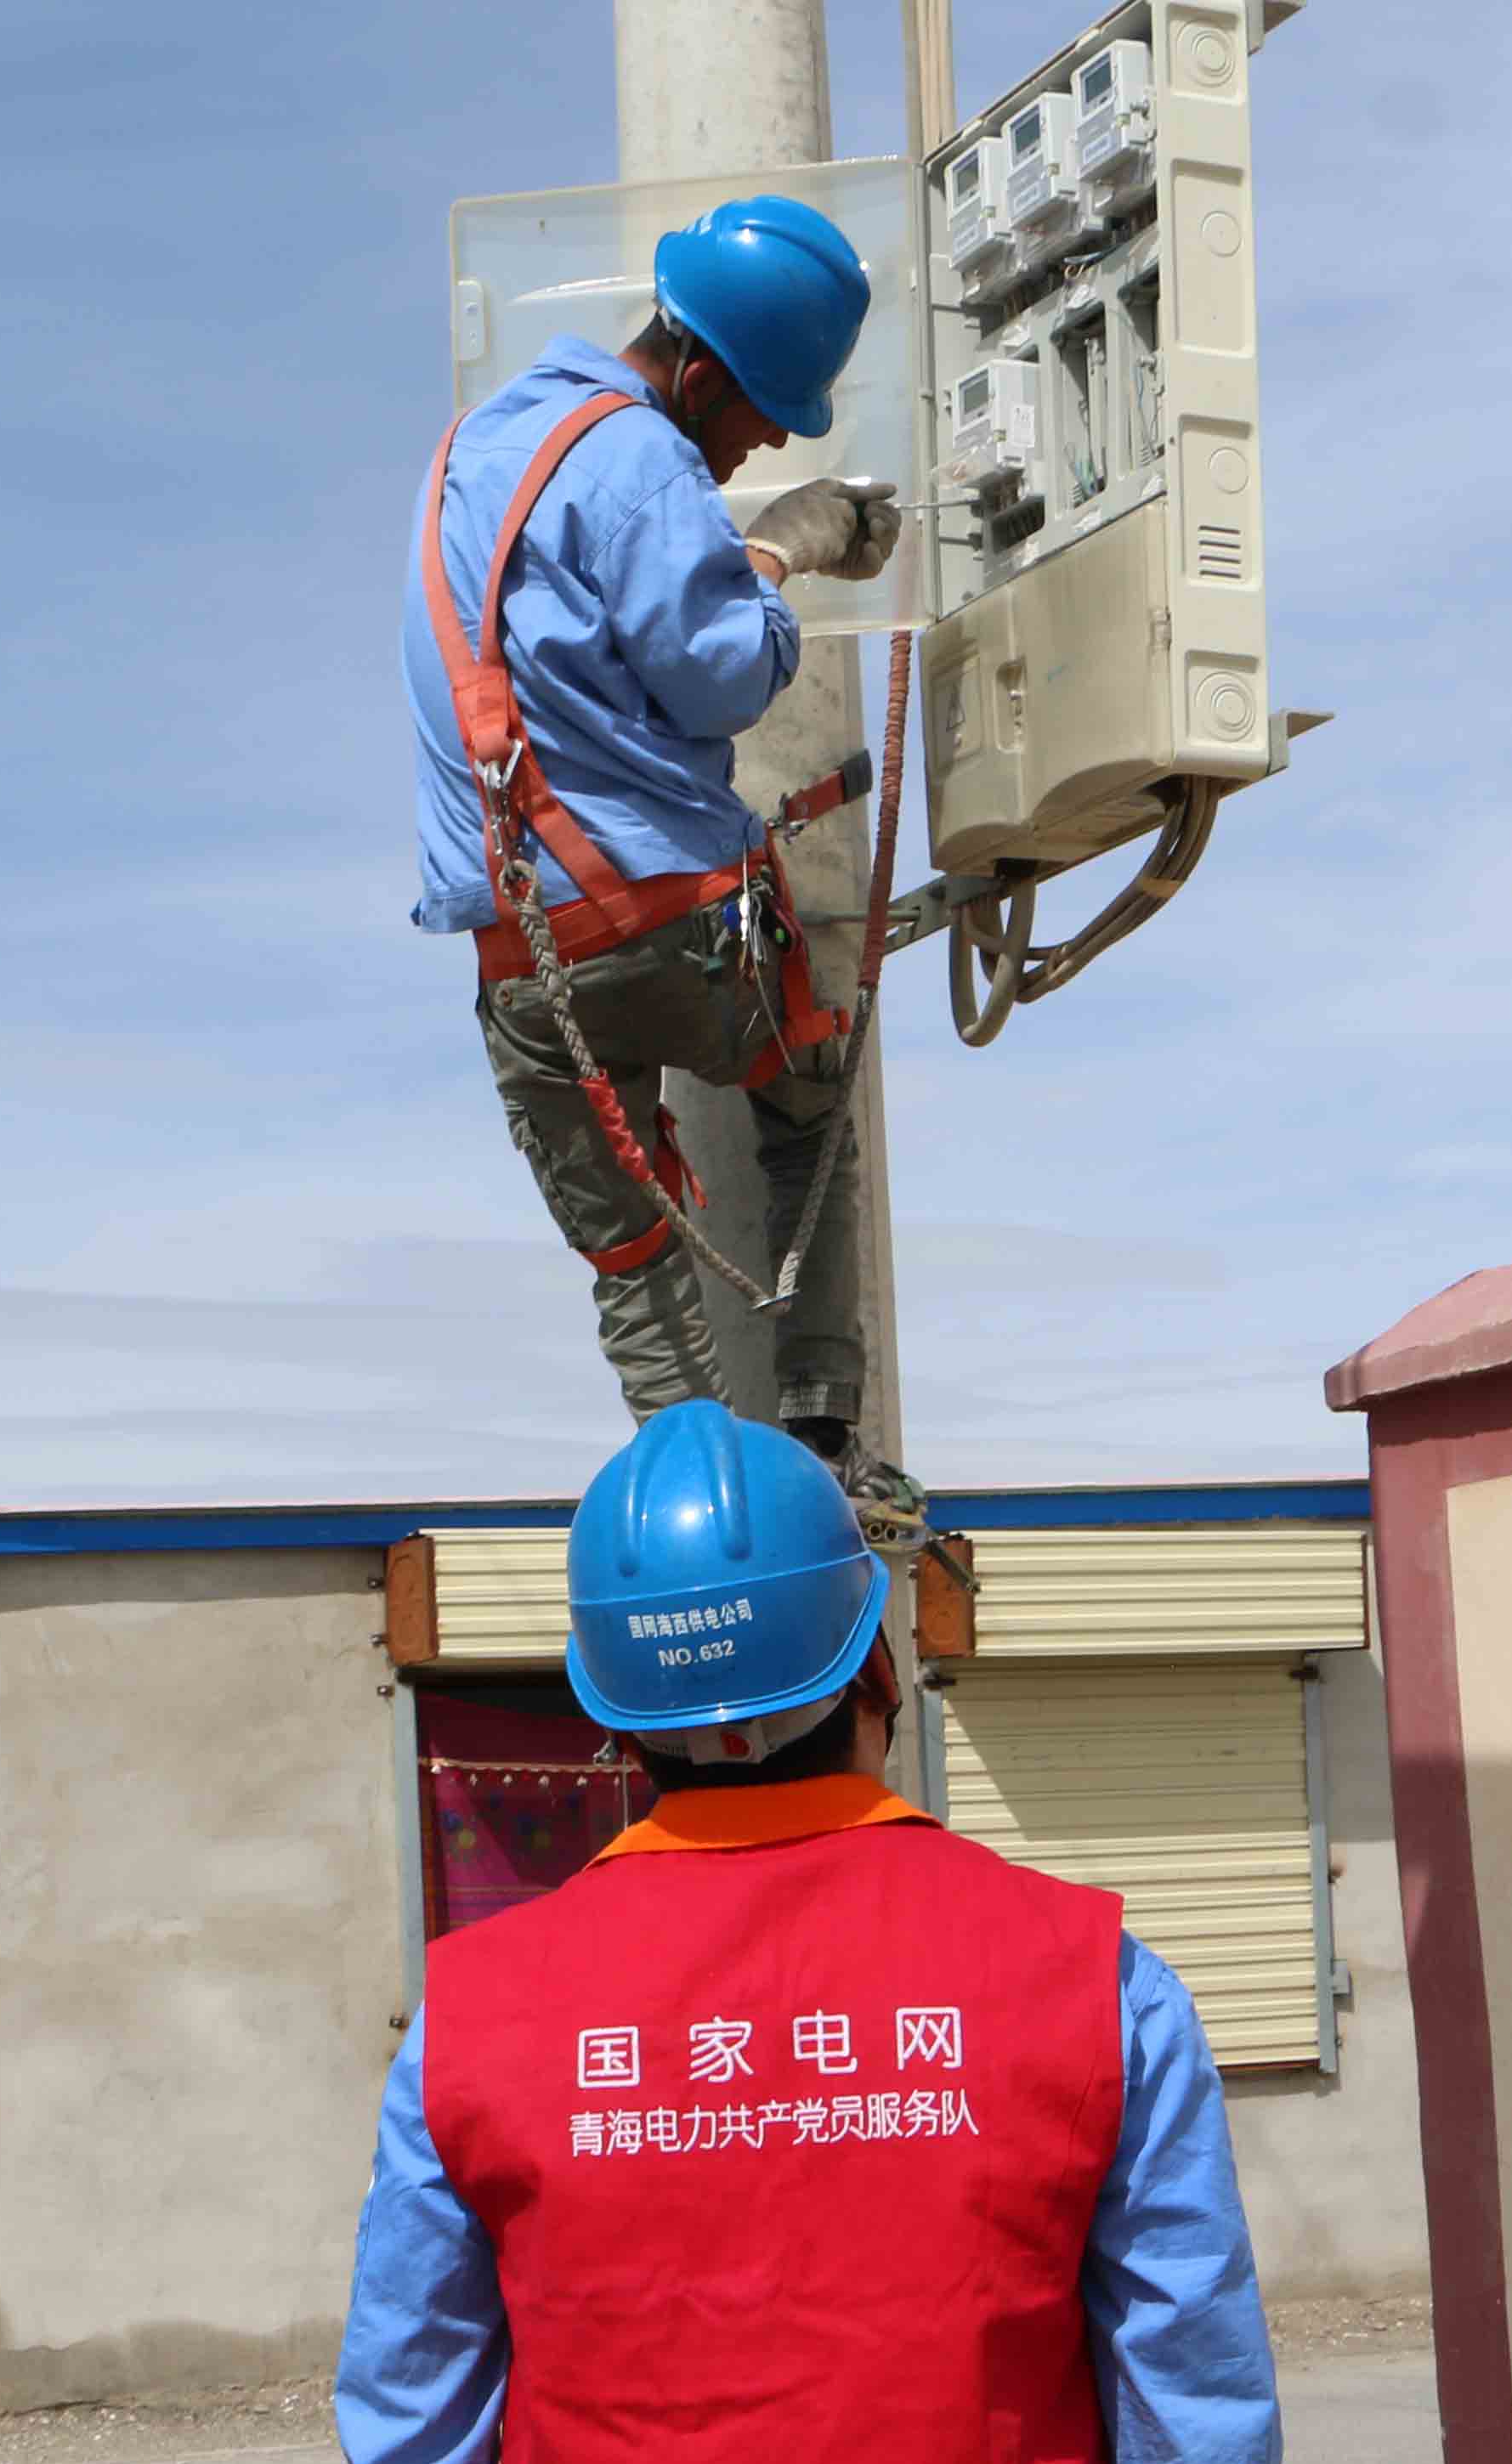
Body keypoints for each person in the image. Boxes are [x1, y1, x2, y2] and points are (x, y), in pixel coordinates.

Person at [339, 1401, 1288, 2464]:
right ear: (880, 1670)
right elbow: (1185, 2367)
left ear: (605, 1707)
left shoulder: (479, 2020)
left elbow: (417, 2378)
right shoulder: (1084, 1978)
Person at [405, 195, 926, 1545]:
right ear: (697, 370)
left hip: (522, 962)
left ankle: (710, 1502)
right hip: (667, 926)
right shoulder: (640, 458)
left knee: (634, 1256)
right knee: (808, 1090)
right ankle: (824, 1443)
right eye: (757, 411)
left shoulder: (473, 451)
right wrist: (780, 547)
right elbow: (719, 678)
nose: (760, 438)